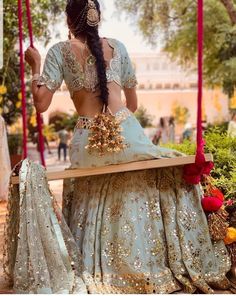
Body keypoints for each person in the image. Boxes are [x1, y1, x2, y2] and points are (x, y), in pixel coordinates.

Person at [10, 0, 230, 293]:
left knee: (96, 175)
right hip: (128, 137)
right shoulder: (119, 47)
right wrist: (117, 117)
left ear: (68, 20)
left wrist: (35, 65)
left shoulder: (58, 52)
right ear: (98, 18)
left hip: (88, 145)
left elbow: (41, 105)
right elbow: (134, 104)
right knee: (171, 162)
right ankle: (150, 257)